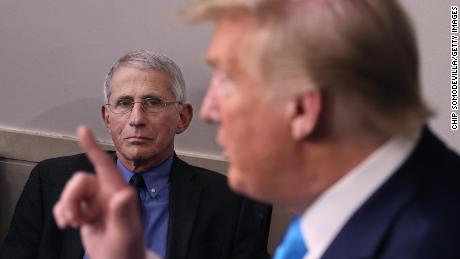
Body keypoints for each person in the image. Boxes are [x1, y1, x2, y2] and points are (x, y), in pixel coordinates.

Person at [50, 0, 460, 259]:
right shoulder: (345, 205)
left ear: (303, 108)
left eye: (227, 80)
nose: (208, 111)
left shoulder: (428, 241)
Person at [0, 50, 271, 259]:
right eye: (124, 103)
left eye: (153, 103)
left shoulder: (230, 203)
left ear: (182, 118)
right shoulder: (52, 182)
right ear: (107, 118)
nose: (136, 119)